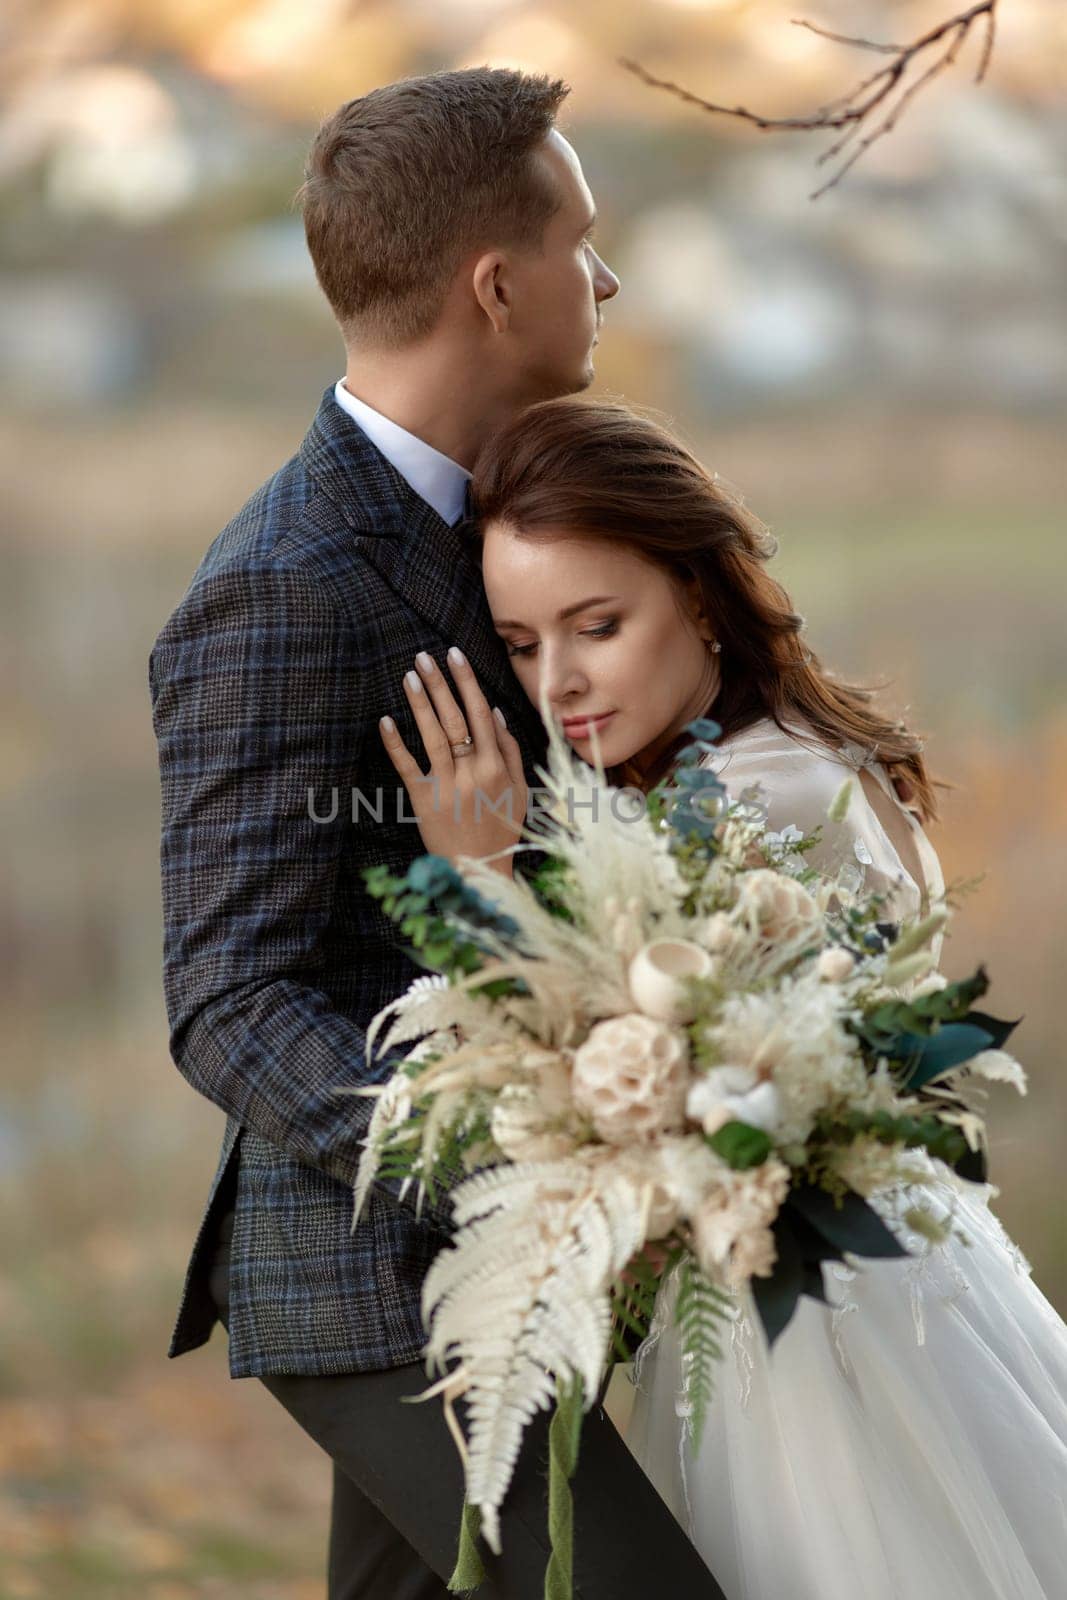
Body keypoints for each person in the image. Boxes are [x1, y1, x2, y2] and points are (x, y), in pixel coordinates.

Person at [150, 67, 733, 1600]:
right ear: (493, 282)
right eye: (579, 241)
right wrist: (504, 1149)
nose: (602, 278)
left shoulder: (510, 515)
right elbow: (226, 995)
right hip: (377, 1285)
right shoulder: (284, 582)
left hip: (514, 1265)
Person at [380, 395, 1067, 1600]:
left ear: (698, 594)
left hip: (820, 1352)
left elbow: (631, 1094)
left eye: (596, 624)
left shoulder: (767, 802)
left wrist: (482, 880)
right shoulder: (772, 756)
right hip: (840, 1302)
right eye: (524, 644)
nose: (559, 683)